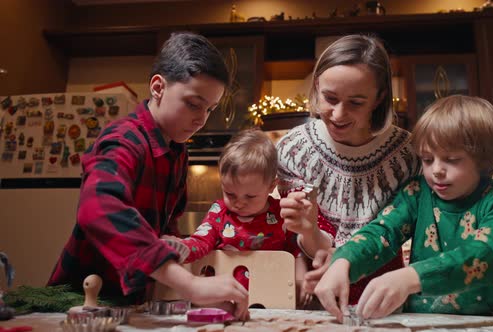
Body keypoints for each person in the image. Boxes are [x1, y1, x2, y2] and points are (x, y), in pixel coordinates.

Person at [48, 32, 249, 320]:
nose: (201, 119)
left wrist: (176, 247)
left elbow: (167, 231)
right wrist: (190, 285)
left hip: (131, 302)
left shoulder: (177, 151)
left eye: (210, 109)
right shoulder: (123, 139)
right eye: (194, 103)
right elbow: (97, 208)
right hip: (81, 301)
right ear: (158, 87)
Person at [315, 95, 493, 321]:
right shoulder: (417, 192)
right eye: (427, 159)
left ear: (484, 160)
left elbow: (487, 254)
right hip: (421, 323)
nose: (436, 170)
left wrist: (409, 277)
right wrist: (343, 261)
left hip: (491, 325)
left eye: (451, 160)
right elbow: (381, 232)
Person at [277, 34, 421, 304]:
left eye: (356, 103)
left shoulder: (408, 155)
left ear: (379, 98)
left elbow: (394, 231)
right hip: (316, 295)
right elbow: (306, 241)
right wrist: (308, 229)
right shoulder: (294, 150)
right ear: (316, 85)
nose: (339, 114)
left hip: (382, 298)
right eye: (329, 98)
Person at [176, 129, 307, 298]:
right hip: (225, 298)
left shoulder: (281, 213)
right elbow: (201, 241)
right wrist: (181, 249)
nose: (239, 203)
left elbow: (296, 248)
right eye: (230, 194)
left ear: (271, 186)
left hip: (273, 296)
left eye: (250, 196)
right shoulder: (220, 212)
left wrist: (299, 278)